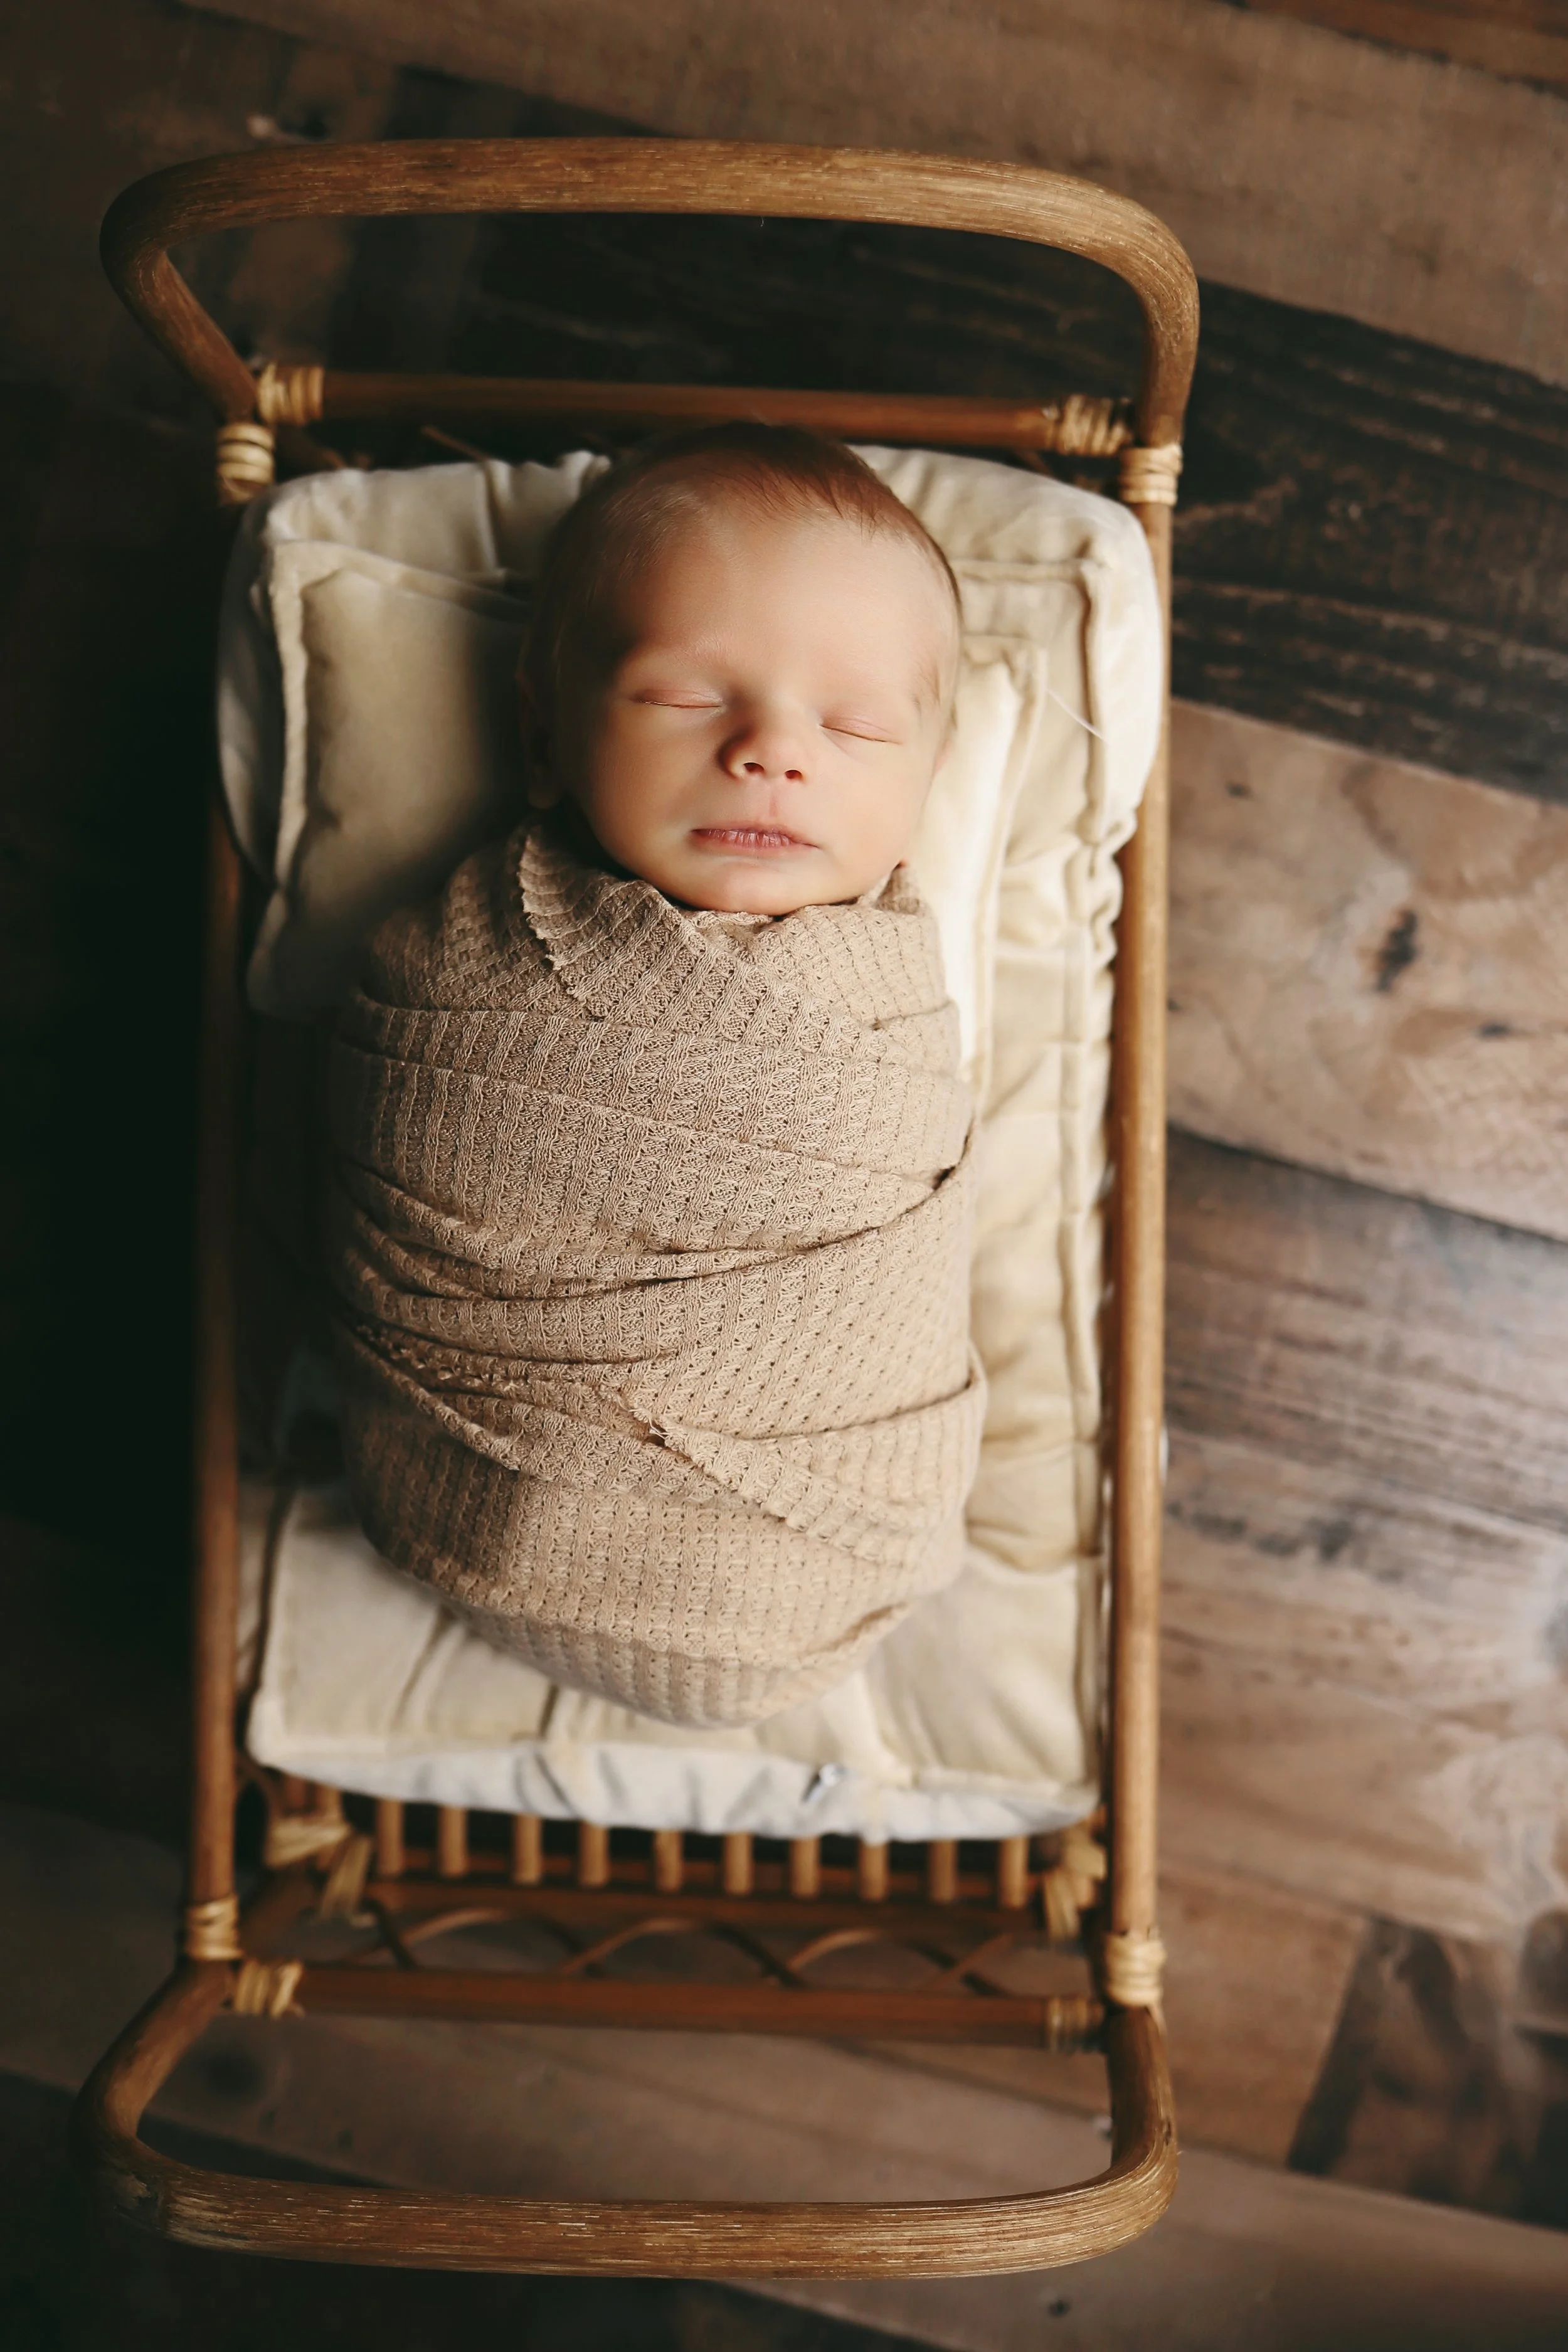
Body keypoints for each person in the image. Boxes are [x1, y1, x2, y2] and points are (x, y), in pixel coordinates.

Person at [327, 424, 985, 1729]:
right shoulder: (447, 974)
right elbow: (401, 1118)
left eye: (855, 726)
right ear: (543, 735)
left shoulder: (885, 1012)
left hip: (822, 1545)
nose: (771, 750)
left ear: (926, 782)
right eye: (687, 697)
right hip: (467, 1501)